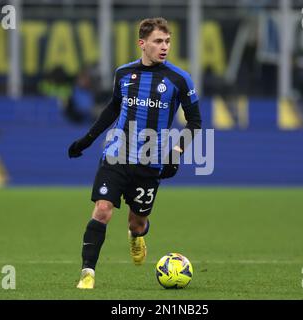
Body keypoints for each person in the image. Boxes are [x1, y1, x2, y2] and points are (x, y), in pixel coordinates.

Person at [68, 17, 202, 289]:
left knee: (137, 221)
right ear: (142, 44)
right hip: (116, 155)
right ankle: (87, 273)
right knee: (103, 209)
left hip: (150, 162)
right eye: (158, 41)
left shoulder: (179, 79)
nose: (164, 46)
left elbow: (195, 121)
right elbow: (112, 109)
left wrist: (176, 153)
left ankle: (136, 235)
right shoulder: (124, 73)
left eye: (167, 41)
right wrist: (88, 139)